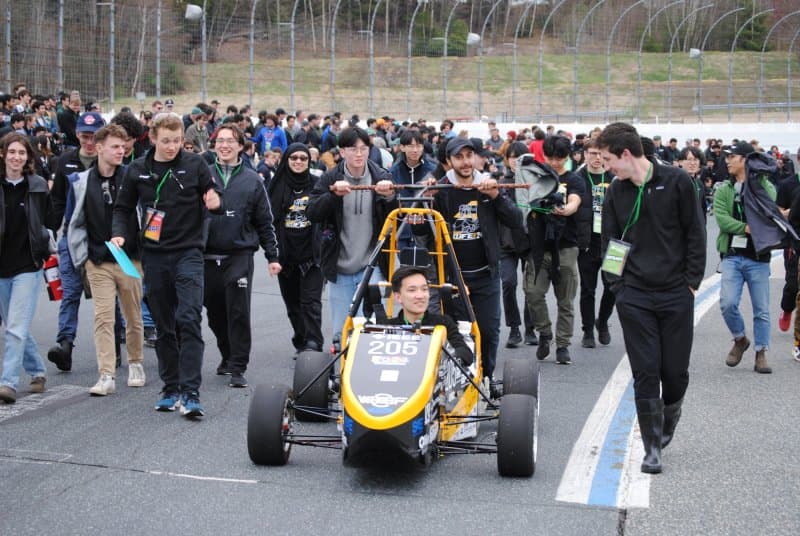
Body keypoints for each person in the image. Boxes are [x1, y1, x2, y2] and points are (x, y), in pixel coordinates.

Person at [598, 122, 706, 474]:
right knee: (646, 371)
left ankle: (670, 416)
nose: (608, 167)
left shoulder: (676, 181)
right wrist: (618, 288)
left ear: (626, 154)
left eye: (609, 160)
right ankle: (651, 448)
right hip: (636, 297)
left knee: (673, 372)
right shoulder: (616, 191)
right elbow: (612, 243)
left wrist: (692, 281)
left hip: (676, 293)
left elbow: (695, 233)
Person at [111, 112, 223, 418]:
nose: (172, 147)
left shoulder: (195, 164)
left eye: (177, 141)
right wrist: (119, 235)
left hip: (189, 253)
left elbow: (214, 194)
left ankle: (191, 392)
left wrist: (214, 200)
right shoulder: (137, 169)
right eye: (166, 141)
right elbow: (122, 208)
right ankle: (170, 388)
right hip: (155, 255)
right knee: (164, 326)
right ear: (153, 137)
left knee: (188, 319)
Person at [415, 137, 522, 386]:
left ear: (476, 158)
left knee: (488, 331)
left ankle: (485, 377)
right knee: (455, 332)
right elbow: (421, 234)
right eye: (459, 157)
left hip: (486, 275)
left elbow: (516, 221)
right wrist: (425, 200)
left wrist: (496, 196)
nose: (465, 162)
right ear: (448, 161)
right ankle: (456, 380)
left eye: (469, 156)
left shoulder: (488, 185)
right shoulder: (439, 189)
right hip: (451, 277)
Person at [66, 125, 145, 396]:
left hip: (129, 258)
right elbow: (73, 221)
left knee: (133, 316)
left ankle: (135, 362)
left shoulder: (132, 176)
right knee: (103, 317)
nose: (121, 151)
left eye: (123, 147)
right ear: (99, 148)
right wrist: (83, 257)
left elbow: (145, 213)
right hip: (98, 259)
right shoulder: (81, 181)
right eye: (114, 146)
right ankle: (106, 374)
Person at [307, 126, 397, 350]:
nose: (359, 154)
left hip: (372, 264)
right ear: (341, 151)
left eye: (364, 148)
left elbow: (398, 217)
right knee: (342, 331)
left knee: (372, 326)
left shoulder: (381, 177)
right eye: (352, 149)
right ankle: (342, 378)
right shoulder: (330, 177)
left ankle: (372, 378)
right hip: (339, 266)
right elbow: (312, 213)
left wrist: (390, 196)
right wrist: (332, 195)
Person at [205, 124, 280, 388]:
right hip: (206, 256)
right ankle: (227, 355)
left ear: (240, 146)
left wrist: (273, 256)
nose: (224, 145)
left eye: (230, 141)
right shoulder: (204, 176)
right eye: (220, 140)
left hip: (239, 254)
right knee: (214, 314)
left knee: (238, 311)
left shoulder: (253, 180)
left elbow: (264, 222)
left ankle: (238, 366)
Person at [715, 141, 787, 375]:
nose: (727, 161)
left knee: (761, 310)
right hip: (732, 256)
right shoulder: (724, 189)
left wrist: (755, 227)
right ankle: (740, 339)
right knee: (727, 302)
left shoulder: (766, 187)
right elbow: (722, 219)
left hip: (758, 257)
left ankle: (761, 353)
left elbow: (770, 218)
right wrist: (745, 227)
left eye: (731, 156)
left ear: (744, 159)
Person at [0, 133, 59, 403]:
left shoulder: (37, 185)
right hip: (1, 267)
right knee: (16, 327)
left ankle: (8, 383)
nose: (16, 157)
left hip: (28, 266)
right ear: (3, 154)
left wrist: (45, 239)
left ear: (28, 157)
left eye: (22, 153)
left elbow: (49, 220)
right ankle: (37, 370)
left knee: (14, 326)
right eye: (12, 152)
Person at [47, 111, 106, 371]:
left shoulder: (110, 162)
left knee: (108, 296)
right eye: (84, 135)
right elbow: (58, 199)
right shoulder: (65, 161)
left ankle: (113, 341)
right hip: (71, 237)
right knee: (70, 292)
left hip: (101, 238)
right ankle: (65, 345)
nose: (89, 141)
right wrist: (52, 229)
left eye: (94, 136)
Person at [522, 135, 587, 364]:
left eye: (560, 157)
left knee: (565, 300)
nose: (555, 162)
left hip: (567, 247)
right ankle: (545, 332)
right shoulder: (537, 178)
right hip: (538, 246)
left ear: (567, 156)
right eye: (550, 157)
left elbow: (575, 202)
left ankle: (562, 344)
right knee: (533, 292)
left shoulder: (574, 179)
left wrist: (564, 209)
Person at [269, 143, 324, 354]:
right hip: (286, 256)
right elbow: (268, 220)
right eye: (294, 158)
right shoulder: (276, 186)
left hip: (312, 255)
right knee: (293, 306)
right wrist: (272, 254)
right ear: (287, 160)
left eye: (303, 158)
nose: (299, 162)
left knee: (311, 303)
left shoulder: (317, 184)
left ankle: (313, 344)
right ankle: (301, 339)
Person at [383, 265, 473, 367]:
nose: (420, 296)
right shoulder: (387, 327)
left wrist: (446, 356)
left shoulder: (443, 323)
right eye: (412, 290)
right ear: (398, 297)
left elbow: (466, 354)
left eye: (424, 289)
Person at [575, 139, 615, 348]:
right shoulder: (578, 179)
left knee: (613, 286)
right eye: (592, 153)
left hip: (611, 242)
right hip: (588, 241)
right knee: (587, 289)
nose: (597, 158)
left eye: (600, 154)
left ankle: (603, 321)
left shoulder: (614, 178)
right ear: (585, 155)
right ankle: (588, 330)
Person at [499, 141, 535, 348]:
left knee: (531, 287)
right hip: (506, 243)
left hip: (529, 241)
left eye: (519, 157)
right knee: (509, 283)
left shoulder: (533, 184)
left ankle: (531, 328)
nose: (515, 161)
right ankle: (514, 328)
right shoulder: (501, 183)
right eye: (511, 157)